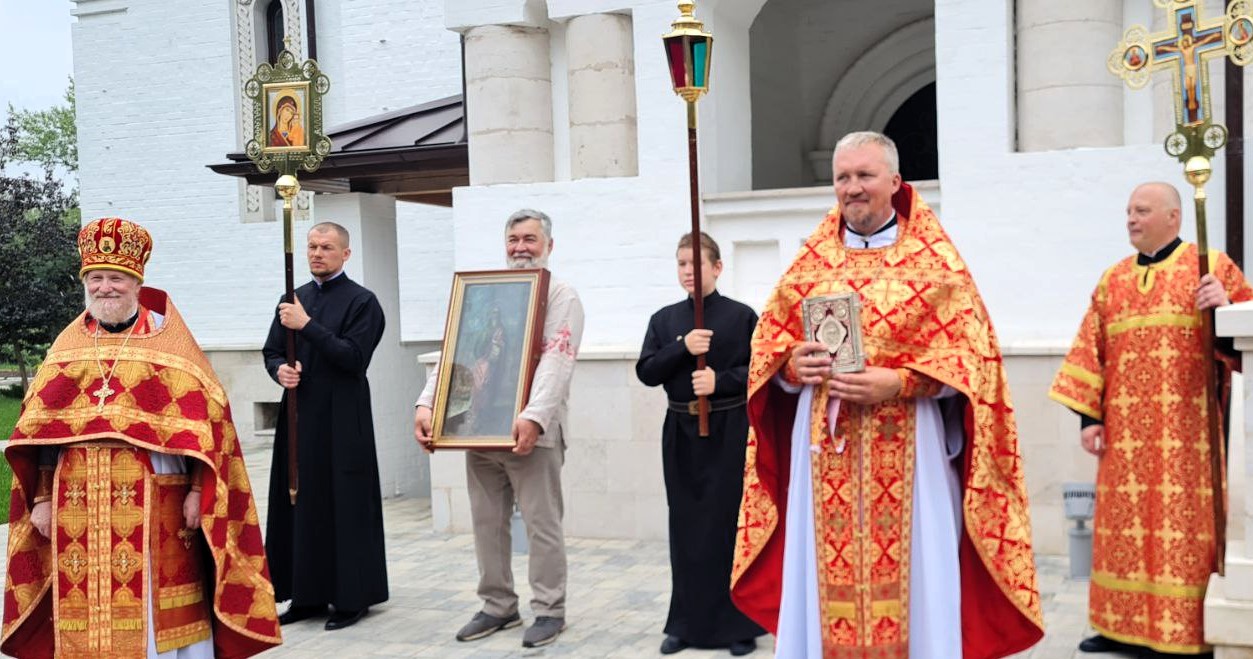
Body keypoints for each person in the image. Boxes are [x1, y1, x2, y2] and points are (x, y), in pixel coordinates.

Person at [729, 131, 1045, 657]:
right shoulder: (809, 264)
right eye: (843, 177)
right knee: (818, 574)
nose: (852, 188)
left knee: (919, 573)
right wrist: (791, 367)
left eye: (865, 175)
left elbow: (975, 364)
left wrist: (902, 382)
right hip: (822, 454)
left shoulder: (937, 264)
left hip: (911, 446)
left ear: (896, 181)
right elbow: (771, 348)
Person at [2, 217, 281, 658]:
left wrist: (198, 492)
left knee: (158, 613)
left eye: (116, 278)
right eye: (95, 278)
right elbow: (42, 434)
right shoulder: (67, 346)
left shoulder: (170, 343)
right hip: (77, 501)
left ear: (136, 282)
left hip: (157, 499)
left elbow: (208, 429)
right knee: (82, 612)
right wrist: (41, 497)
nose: (105, 288)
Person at [1049, 182, 1253, 657]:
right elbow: (1091, 349)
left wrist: (1224, 307)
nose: (1131, 218)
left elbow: (1242, 343)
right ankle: (1118, 627)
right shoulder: (1113, 278)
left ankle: (1181, 633)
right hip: (1124, 440)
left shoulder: (1211, 266)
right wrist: (1088, 419)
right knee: (1122, 533)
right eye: (1128, 211)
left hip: (1187, 438)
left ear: (1174, 217)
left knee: (1183, 535)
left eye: (1141, 210)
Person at [414, 209, 584, 649]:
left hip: (532, 435)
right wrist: (428, 403)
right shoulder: (485, 293)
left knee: (541, 524)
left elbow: (557, 360)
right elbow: (456, 350)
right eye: (514, 239)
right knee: (487, 522)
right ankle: (498, 605)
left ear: (549, 245)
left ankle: (549, 610)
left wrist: (533, 416)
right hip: (480, 430)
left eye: (530, 239)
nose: (520, 248)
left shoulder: (560, 295)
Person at [635, 232, 764, 656]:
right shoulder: (664, 320)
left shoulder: (741, 317)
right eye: (681, 264)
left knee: (727, 523)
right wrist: (682, 348)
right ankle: (685, 624)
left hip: (728, 429)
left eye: (695, 263)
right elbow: (647, 371)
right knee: (686, 525)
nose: (688, 271)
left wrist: (719, 381)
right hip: (681, 431)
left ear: (717, 267)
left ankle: (738, 625)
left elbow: (762, 370)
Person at [262, 221, 388, 631]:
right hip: (300, 416)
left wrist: (307, 325)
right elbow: (272, 351)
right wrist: (280, 371)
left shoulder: (363, 302)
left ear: (345, 254)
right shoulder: (292, 299)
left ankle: (352, 598)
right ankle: (306, 594)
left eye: (327, 247)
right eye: (312, 246)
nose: (317, 253)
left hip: (343, 418)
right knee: (302, 504)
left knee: (343, 503)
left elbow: (353, 358)